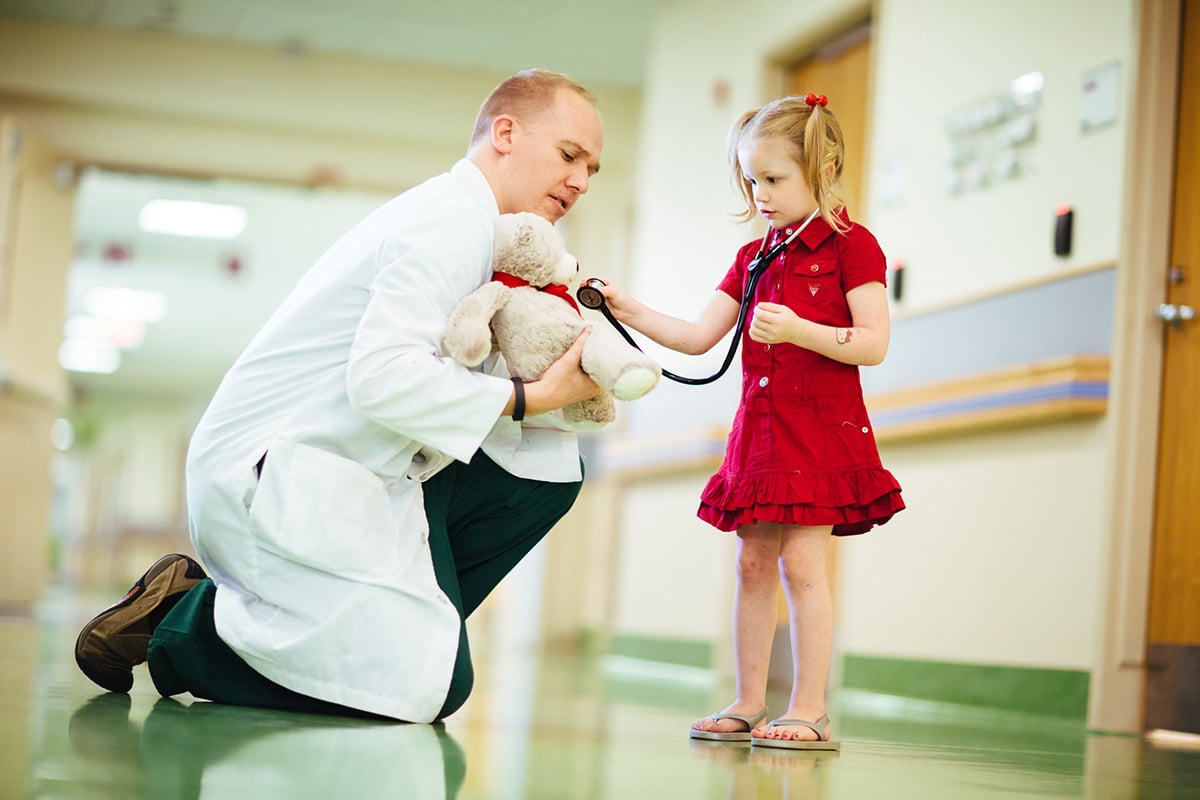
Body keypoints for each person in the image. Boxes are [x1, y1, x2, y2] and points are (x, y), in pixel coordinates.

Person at [74, 69, 605, 723]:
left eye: (593, 169)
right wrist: (528, 398)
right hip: (271, 479)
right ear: (504, 133)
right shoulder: (449, 225)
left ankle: (378, 635)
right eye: (570, 155)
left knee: (545, 469)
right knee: (437, 688)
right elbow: (382, 377)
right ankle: (186, 625)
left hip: (348, 465)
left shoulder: (469, 222)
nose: (581, 180)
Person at [591, 93, 904, 750]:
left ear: (822, 168)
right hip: (758, 436)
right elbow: (698, 336)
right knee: (753, 565)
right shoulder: (753, 257)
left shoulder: (854, 247)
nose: (760, 193)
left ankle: (811, 708)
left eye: (774, 178)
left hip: (819, 434)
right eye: (752, 180)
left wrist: (798, 329)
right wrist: (627, 306)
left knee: (802, 565)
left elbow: (873, 343)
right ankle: (748, 699)